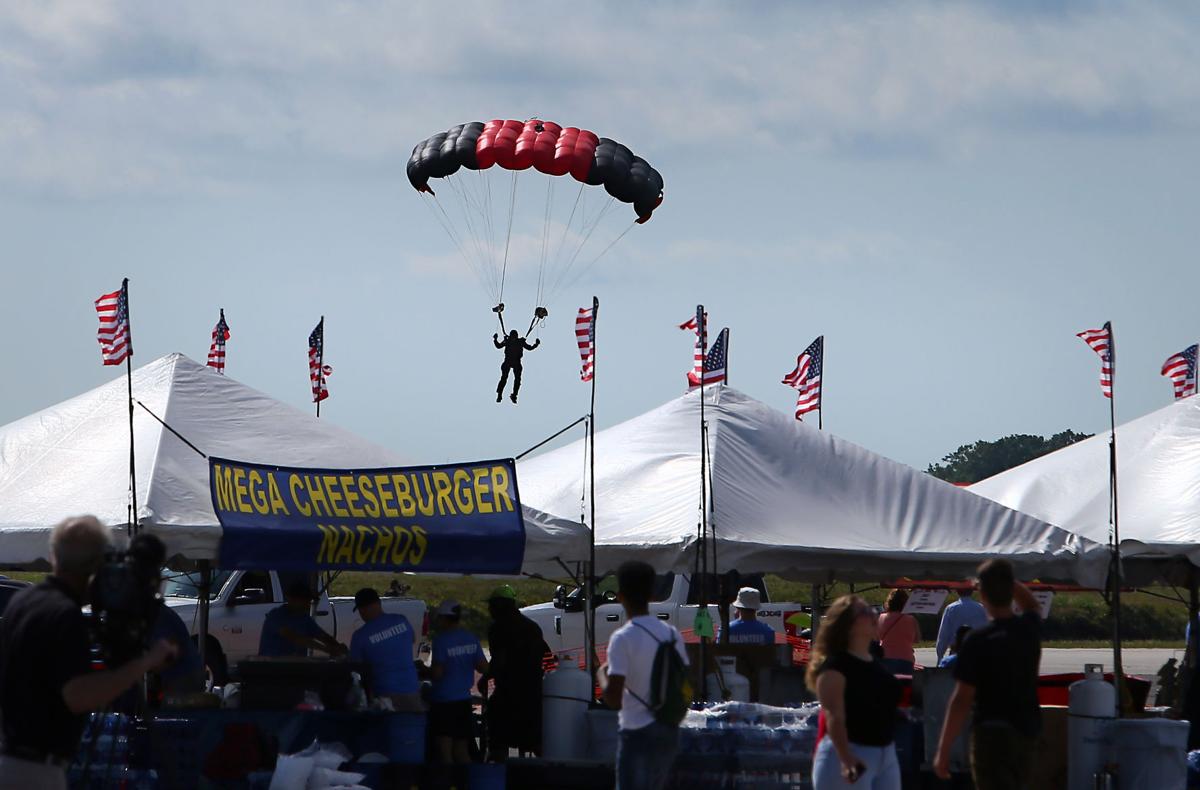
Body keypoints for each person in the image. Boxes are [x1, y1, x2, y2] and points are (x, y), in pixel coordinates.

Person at [0, 516, 177, 789]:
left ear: (53, 556)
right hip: (36, 770)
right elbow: (79, 696)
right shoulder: (64, 614)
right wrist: (147, 661)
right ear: (97, 566)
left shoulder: (22, 601)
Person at [933, 559, 1043, 789]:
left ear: (982, 595)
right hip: (1026, 730)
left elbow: (962, 699)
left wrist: (943, 751)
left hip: (990, 732)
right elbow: (1032, 606)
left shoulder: (977, 641)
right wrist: (1007, 581)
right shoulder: (1028, 630)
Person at [600, 561, 689, 790]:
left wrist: (601, 673)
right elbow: (686, 680)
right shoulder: (671, 634)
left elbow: (614, 699)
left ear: (620, 596)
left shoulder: (622, 639)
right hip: (668, 728)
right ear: (651, 594)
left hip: (636, 730)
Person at [808, 595, 902, 790]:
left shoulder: (875, 663)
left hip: (885, 753)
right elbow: (834, 717)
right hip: (849, 751)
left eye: (872, 610)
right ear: (848, 625)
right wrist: (846, 758)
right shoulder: (835, 668)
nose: (874, 614)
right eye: (865, 612)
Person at [481, 585, 549, 760]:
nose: (489, 610)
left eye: (491, 605)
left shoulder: (498, 628)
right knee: (534, 739)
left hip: (509, 692)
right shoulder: (532, 627)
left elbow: (499, 661)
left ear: (500, 605)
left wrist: (485, 678)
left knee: (497, 731)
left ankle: (500, 774)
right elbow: (547, 655)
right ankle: (548, 774)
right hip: (533, 691)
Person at [428, 600, 488, 766]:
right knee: (462, 751)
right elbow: (483, 667)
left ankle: (448, 783)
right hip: (463, 701)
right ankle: (467, 783)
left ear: (444, 618)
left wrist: (424, 671)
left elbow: (437, 674)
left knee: (444, 752)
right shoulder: (471, 638)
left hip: (443, 702)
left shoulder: (441, 641)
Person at [348, 587, 421, 711]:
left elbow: (355, 666)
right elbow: (412, 639)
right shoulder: (401, 620)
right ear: (379, 603)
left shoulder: (360, 636)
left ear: (362, 609)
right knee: (412, 726)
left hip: (384, 696)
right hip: (411, 689)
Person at [257, 579, 347, 658]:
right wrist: (325, 649)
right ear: (291, 599)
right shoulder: (276, 616)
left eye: (308, 601)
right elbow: (295, 637)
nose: (308, 605)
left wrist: (337, 646)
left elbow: (322, 636)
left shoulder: (304, 619)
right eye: (304, 601)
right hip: (270, 668)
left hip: (295, 668)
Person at [935, 587, 988, 663]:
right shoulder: (981, 608)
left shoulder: (951, 608)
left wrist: (940, 655)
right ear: (972, 591)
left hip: (957, 652)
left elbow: (944, 633)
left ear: (957, 591)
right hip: (978, 651)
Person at [876, 589, 919, 676]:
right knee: (905, 687)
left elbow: (877, 637)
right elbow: (917, 639)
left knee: (888, 687)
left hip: (886, 657)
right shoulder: (911, 619)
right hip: (906, 658)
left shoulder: (881, 617)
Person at [493, 329, 539, 403]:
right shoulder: (510, 341)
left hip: (514, 362)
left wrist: (536, 344)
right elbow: (498, 346)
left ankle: (513, 395)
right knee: (505, 378)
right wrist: (495, 339)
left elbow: (529, 348)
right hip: (509, 362)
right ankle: (500, 394)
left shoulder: (516, 341)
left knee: (515, 379)